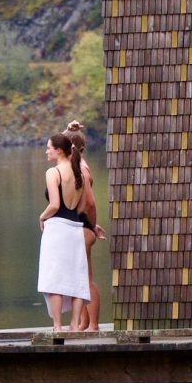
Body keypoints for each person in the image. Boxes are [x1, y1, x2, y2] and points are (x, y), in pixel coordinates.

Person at [39, 131, 93, 332]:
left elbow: (54, 205)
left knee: (54, 278)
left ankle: (57, 326)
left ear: (59, 150)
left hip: (57, 229)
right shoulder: (78, 171)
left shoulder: (53, 173)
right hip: (75, 228)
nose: (46, 151)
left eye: (49, 148)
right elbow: (81, 207)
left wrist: (42, 216)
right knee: (76, 277)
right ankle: (74, 324)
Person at [63, 119, 105, 328]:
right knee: (80, 278)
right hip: (81, 226)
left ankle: (93, 325)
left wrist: (92, 226)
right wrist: (70, 129)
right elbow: (62, 142)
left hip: (83, 227)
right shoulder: (78, 164)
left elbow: (89, 202)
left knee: (86, 278)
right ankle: (84, 323)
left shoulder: (81, 168)